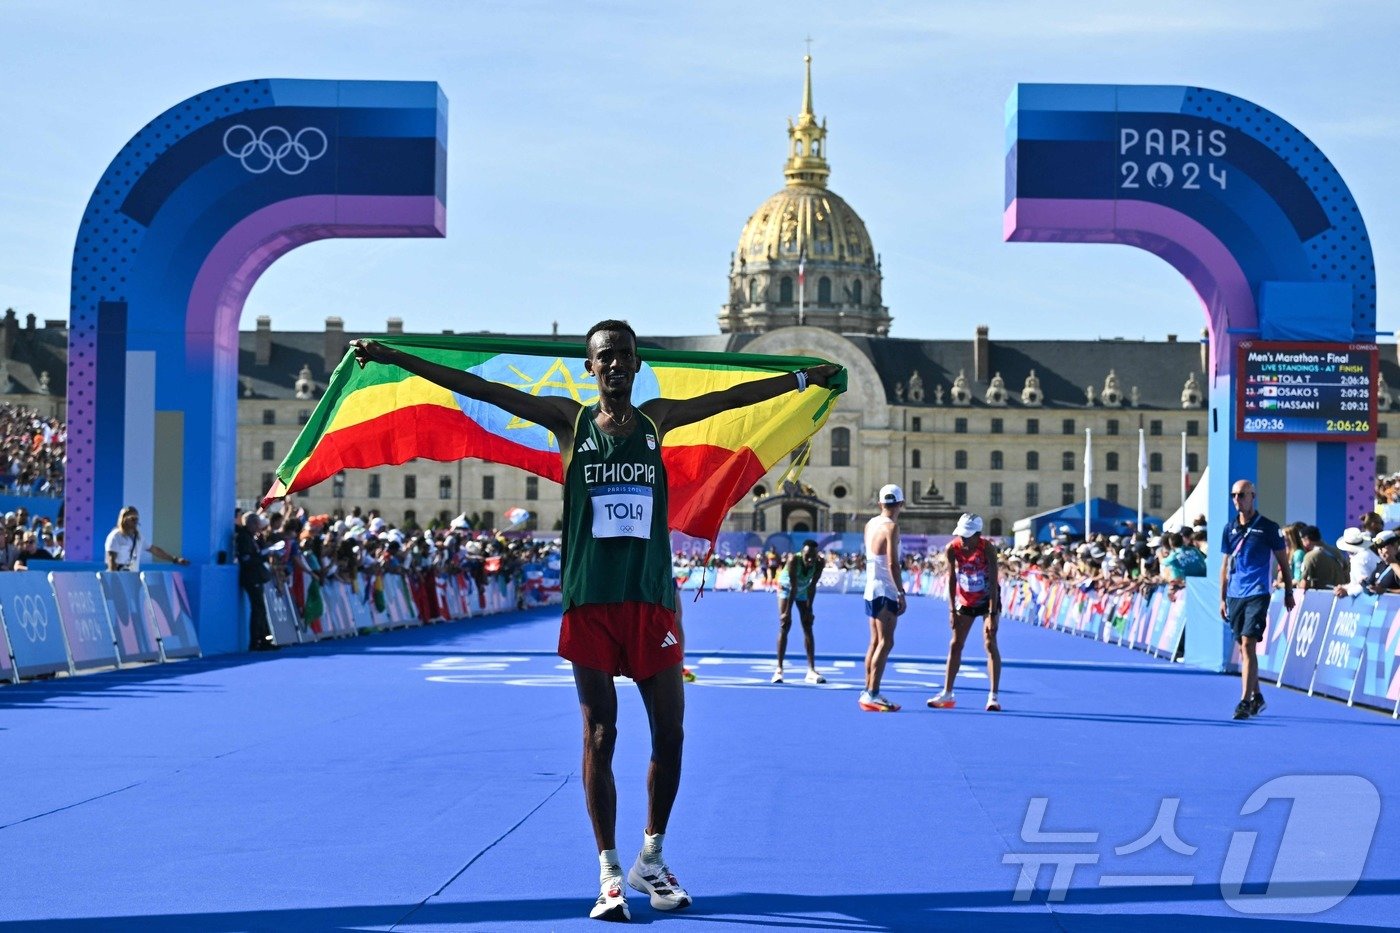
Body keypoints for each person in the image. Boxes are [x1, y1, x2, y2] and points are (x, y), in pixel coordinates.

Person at [352, 321, 839, 922]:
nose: (615, 366)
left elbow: (729, 400)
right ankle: (609, 870)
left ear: (637, 366)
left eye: (625, 357)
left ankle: (651, 859)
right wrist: (394, 357)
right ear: (590, 367)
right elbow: (475, 388)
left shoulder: (657, 419)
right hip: (591, 603)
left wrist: (800, 380)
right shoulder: (568, 422)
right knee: (601, 735)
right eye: (604, 357)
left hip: (650, 599)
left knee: (672, 732)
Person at [1220, 480, 1293, 721]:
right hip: (1235, 594)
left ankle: (1244, 701)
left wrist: (1289, 592)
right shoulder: (1229, 528)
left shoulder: (1268, 528)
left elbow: (1283, 562)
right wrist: (1222, 598)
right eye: (1234, 495)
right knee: (1243, 647)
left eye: (1242, 495)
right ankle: (1258, 696)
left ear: (1253, 496)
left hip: (1258, 592)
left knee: (1249, 643)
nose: (1237, 500)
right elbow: (1225, 565)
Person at [929, 512, 1003, 712]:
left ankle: (993, 696)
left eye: (967, 535)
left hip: (988, 599)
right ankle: (947, 692)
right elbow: (951, 578)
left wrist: (993, 614)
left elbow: (995, 581)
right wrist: (951, 609)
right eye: (961, 534)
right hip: (965, 599)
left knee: (989, 642)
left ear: (978, 534)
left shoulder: (987, 548)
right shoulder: (952, 549)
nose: (964, 539)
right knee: (955, 644)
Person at [859, 484, 905, 712]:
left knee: (875, 642)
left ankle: (868, 689)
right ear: (900, 504)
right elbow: (892, 563)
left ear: (880, 504)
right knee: (886, 642)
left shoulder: (870, 524)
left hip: (871, 587)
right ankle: (873, 693)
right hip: (886, 589)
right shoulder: (891, 527)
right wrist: (901, 592)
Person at [772, 539, 824, 684]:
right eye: (807, 556)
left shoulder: (820, 563)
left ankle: (811, 670)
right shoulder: (793, 560)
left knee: (808, 625)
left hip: (802, 590)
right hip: (786, 588)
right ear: (802, 553)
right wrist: (787, 613)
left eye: (813, 556)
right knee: (785, 625)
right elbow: (793, 587)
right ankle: (779, 670)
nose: (810, 559)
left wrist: (810, 610)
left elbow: (812, 586)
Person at [235, 511, 275, 651]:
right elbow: (247, 559)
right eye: (257, 524)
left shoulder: (253, 538)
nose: (259, 527)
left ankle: (264, 639)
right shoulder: (244, 538)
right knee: (258, 609)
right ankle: (256, 641)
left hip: (257, 576)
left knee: (261, 609)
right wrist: (262, 556)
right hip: (251, 577)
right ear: (251, 524)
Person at [104, 506, 189, 571]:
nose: (135, 522)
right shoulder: (115, 536)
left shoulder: (138, 537)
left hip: (131, 578)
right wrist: (113, 579)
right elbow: (111, 559)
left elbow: (154, 550)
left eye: (136, 519)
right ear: (124, 519)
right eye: (132, 519)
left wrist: (174, 559)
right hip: (119, 576)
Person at [1333, 530, 1400, 597]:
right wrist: (1363, 583)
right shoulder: (1381, 565)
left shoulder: (1394, 563)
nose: (1381, 551)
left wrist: (1386, 591)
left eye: (1383, 547)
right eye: (1378, 548)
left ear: (1395, 546)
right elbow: (1368, 588)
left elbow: (1382, 590)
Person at [1297, 525, 1347, 591]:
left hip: (1319, 597)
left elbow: (1304, 584)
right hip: (1340, 594)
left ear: (1307, 539)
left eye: (1302, 540)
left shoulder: (1310, 556)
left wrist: (1297, 586)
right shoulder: (1336, 552)